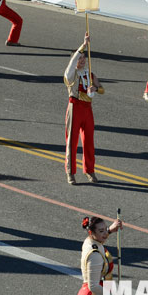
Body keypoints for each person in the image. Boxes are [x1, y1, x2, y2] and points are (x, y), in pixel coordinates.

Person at [65, 34, 104, 185]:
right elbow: (72, 62)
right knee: (72, 141)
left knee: (88, 141)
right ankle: (70, 172)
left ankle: (89, 170)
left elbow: (102, 90)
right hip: (75, 107)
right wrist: (83, 45)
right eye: (79, 59)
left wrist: (96, 88)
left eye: (83, 59)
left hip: (88, 109)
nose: (81, 61)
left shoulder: (90, 74)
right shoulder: (71, 74)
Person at [76, 216, 123, 295]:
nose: (105, 234)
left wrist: (110, 230)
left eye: (105, 229)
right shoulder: (95, 255)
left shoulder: (90, 241)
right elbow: (93, 286)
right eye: (101, 231)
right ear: (91, 232)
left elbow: (101, 238)